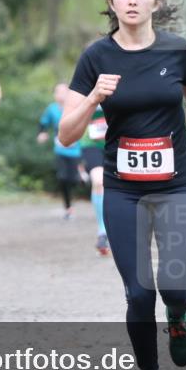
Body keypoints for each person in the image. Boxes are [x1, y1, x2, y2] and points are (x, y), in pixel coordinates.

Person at [59, 0, 186, 370]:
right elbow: (66, 135)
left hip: (177, 184)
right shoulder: (96, 58)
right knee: (139, 293)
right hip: (124, 190)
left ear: (155, 2)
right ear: (111, 2)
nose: (132, 0)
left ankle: (179, 317)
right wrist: (93, 98)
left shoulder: (178, 51)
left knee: (175, 286)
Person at [37, 83, 83, 220]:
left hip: (77, 150)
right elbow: (43, 124)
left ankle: (81, 173)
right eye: (57, 92)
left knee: (74, 179)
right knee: (63, 178)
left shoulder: (77, 107)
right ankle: (68, 208)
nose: (60, 95)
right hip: (61, 150)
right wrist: (42, 133)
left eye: (63, 92)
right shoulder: (52, 109)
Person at [79, 102, 109, 255]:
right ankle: (103, 232)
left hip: (118, 141)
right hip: (91, 143)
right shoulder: (84, 87)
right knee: (98, 181)